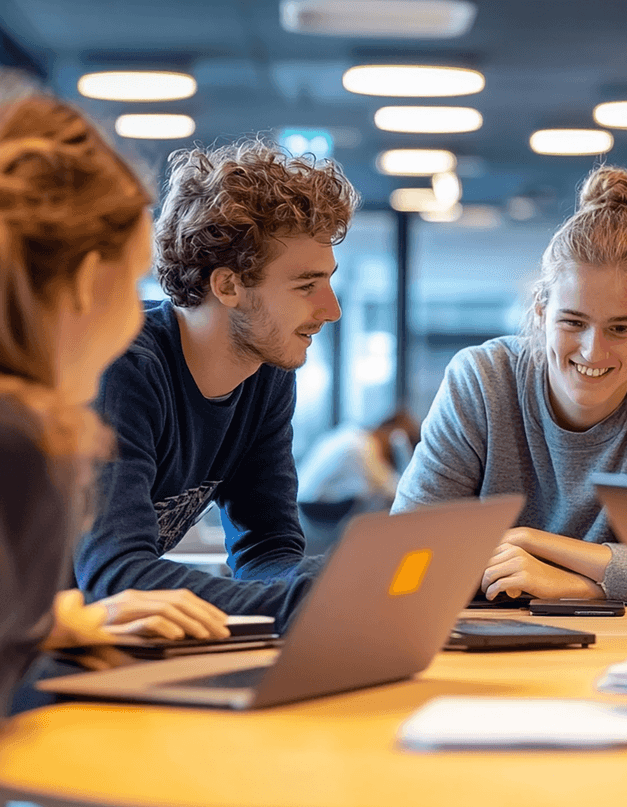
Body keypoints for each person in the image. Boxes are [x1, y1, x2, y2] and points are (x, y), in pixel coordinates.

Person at [392, 167, 627, 602]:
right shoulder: (481, 378)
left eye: (621, 328)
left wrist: (539, 550)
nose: (593, 351)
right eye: (573, 322)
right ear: (540, 312)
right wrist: (612, 576)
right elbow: (407, 553)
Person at [0, 97, 235, 715]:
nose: (140, 317)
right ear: (84, 283)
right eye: (134, 286)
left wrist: (48, 626)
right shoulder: (20, 438)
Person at [74, 137, 359, 629]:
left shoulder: (265, 374)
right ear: (227, 285)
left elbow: (267, 549)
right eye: (306, 285)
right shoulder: (120, 369)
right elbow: (114, 573)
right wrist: (301, 603)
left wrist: (337, 585)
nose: (331, 310)